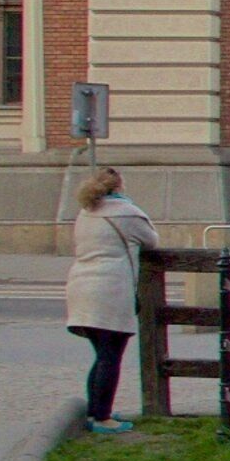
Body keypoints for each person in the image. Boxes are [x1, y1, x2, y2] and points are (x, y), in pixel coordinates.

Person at [64, 168, 154, 433]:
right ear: (120, 186)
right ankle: (102, 417)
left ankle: (95, 410)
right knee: (110, 356)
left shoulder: (85, 212)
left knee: (101, 354)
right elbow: (151, 240)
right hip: (110, 289)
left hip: (81, 285)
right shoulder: (128, 213)